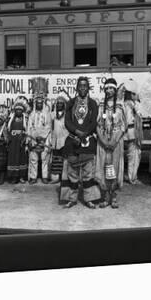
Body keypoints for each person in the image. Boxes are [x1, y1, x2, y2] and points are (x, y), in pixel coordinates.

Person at [59, 76, 102, 209]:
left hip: (88, 141)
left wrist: (85, 133)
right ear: (77, 88)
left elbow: (94, 122)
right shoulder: (71, 103)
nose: (82, 88)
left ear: (88, 88)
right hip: (73, 141)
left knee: (88, 172)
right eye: (80, 86)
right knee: (72, 172)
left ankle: (89, 199)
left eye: (85, 85)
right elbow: (67, 121)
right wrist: (76, 132)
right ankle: (72, 198)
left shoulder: (93, 104)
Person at [96, 78, 126, 209]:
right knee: (104, 168)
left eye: (111, 88)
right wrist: (103, 140)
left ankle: (113, 196)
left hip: (116, 142)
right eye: (107, 88)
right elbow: (97, 124)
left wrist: (114, 140)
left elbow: (123, 126)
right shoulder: (101, 104)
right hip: (103, 141)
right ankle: (105, 197)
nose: (109, 91)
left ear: (115, 90)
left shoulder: (120, 105)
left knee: (114, 168)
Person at [27, 77, 52, 184]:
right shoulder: (32, 114)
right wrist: (33, 137)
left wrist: (41, 137)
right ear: (35, 103)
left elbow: (48, 127)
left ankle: (45, 176)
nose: (39, 104)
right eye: (37, 103)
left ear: (43, 103)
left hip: (44, 139)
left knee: (44, 158)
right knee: (33, 159)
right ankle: (33, 177)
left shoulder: (46, 114)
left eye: (41, 103)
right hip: (33, 139)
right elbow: (29, 127)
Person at [123, 79, 143, 185]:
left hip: (130, 133)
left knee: (133, 156)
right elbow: (127, 120)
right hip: (131, 133)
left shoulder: (128, 104)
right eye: (134, 94)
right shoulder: (129, 105)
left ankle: (131, 176)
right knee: (133, 156)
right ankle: (132, 177)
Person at [7, 96, 29, 184]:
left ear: (23, 111)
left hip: (21, 142)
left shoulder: (25, 119)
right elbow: (7, 130)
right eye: (17, 110)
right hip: (13, 143)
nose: (18, 111)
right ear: (14, 111)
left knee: (22, 159)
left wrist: (24, 139)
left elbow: (28, 130)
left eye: (20, 110)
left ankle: (21, 176)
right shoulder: (11, 119)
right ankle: (14, 177)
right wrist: (9, 139)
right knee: (13, 160)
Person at [49, 90, 70, 184]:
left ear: (64, 105)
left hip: (64, 140)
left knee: (65, 160)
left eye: (61, 103)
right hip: (55, 140)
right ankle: (56, 178)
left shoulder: (67, 115)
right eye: (58, 103)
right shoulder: (52, 115)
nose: (59, 105)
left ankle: (64, 178)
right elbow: (50, 128)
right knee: (56, 159)